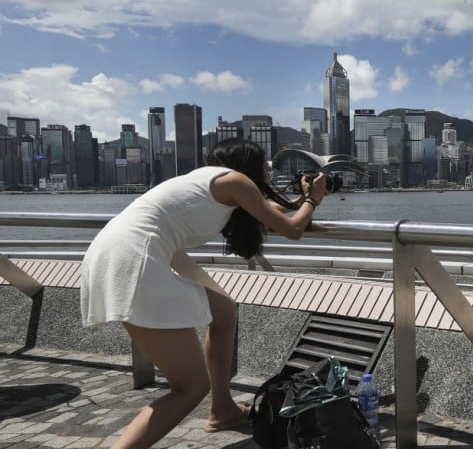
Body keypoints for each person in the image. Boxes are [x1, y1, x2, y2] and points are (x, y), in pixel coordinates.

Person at [80, 138, 328, 448]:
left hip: (112, 253)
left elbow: (273, 211)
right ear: (248, 164)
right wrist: (313, 201)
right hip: (136, 259)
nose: (267, 171)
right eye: (264, 164)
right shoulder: (235, 180)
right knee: (190, 386)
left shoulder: (210, 181)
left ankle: (222, 410)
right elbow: (293, 230)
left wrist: (305, 197)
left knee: (223, 310)